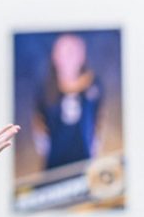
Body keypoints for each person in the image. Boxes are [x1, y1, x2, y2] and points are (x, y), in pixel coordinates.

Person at [33, 34, 103, 171]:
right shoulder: (46, 90)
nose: (68, 58)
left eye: (73, 52)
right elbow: (39, 129)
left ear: (82, 56)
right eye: (64, 52)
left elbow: (98, 122)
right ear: (55, 57)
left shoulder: (93, 86)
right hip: (54, 167)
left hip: (85, 163)